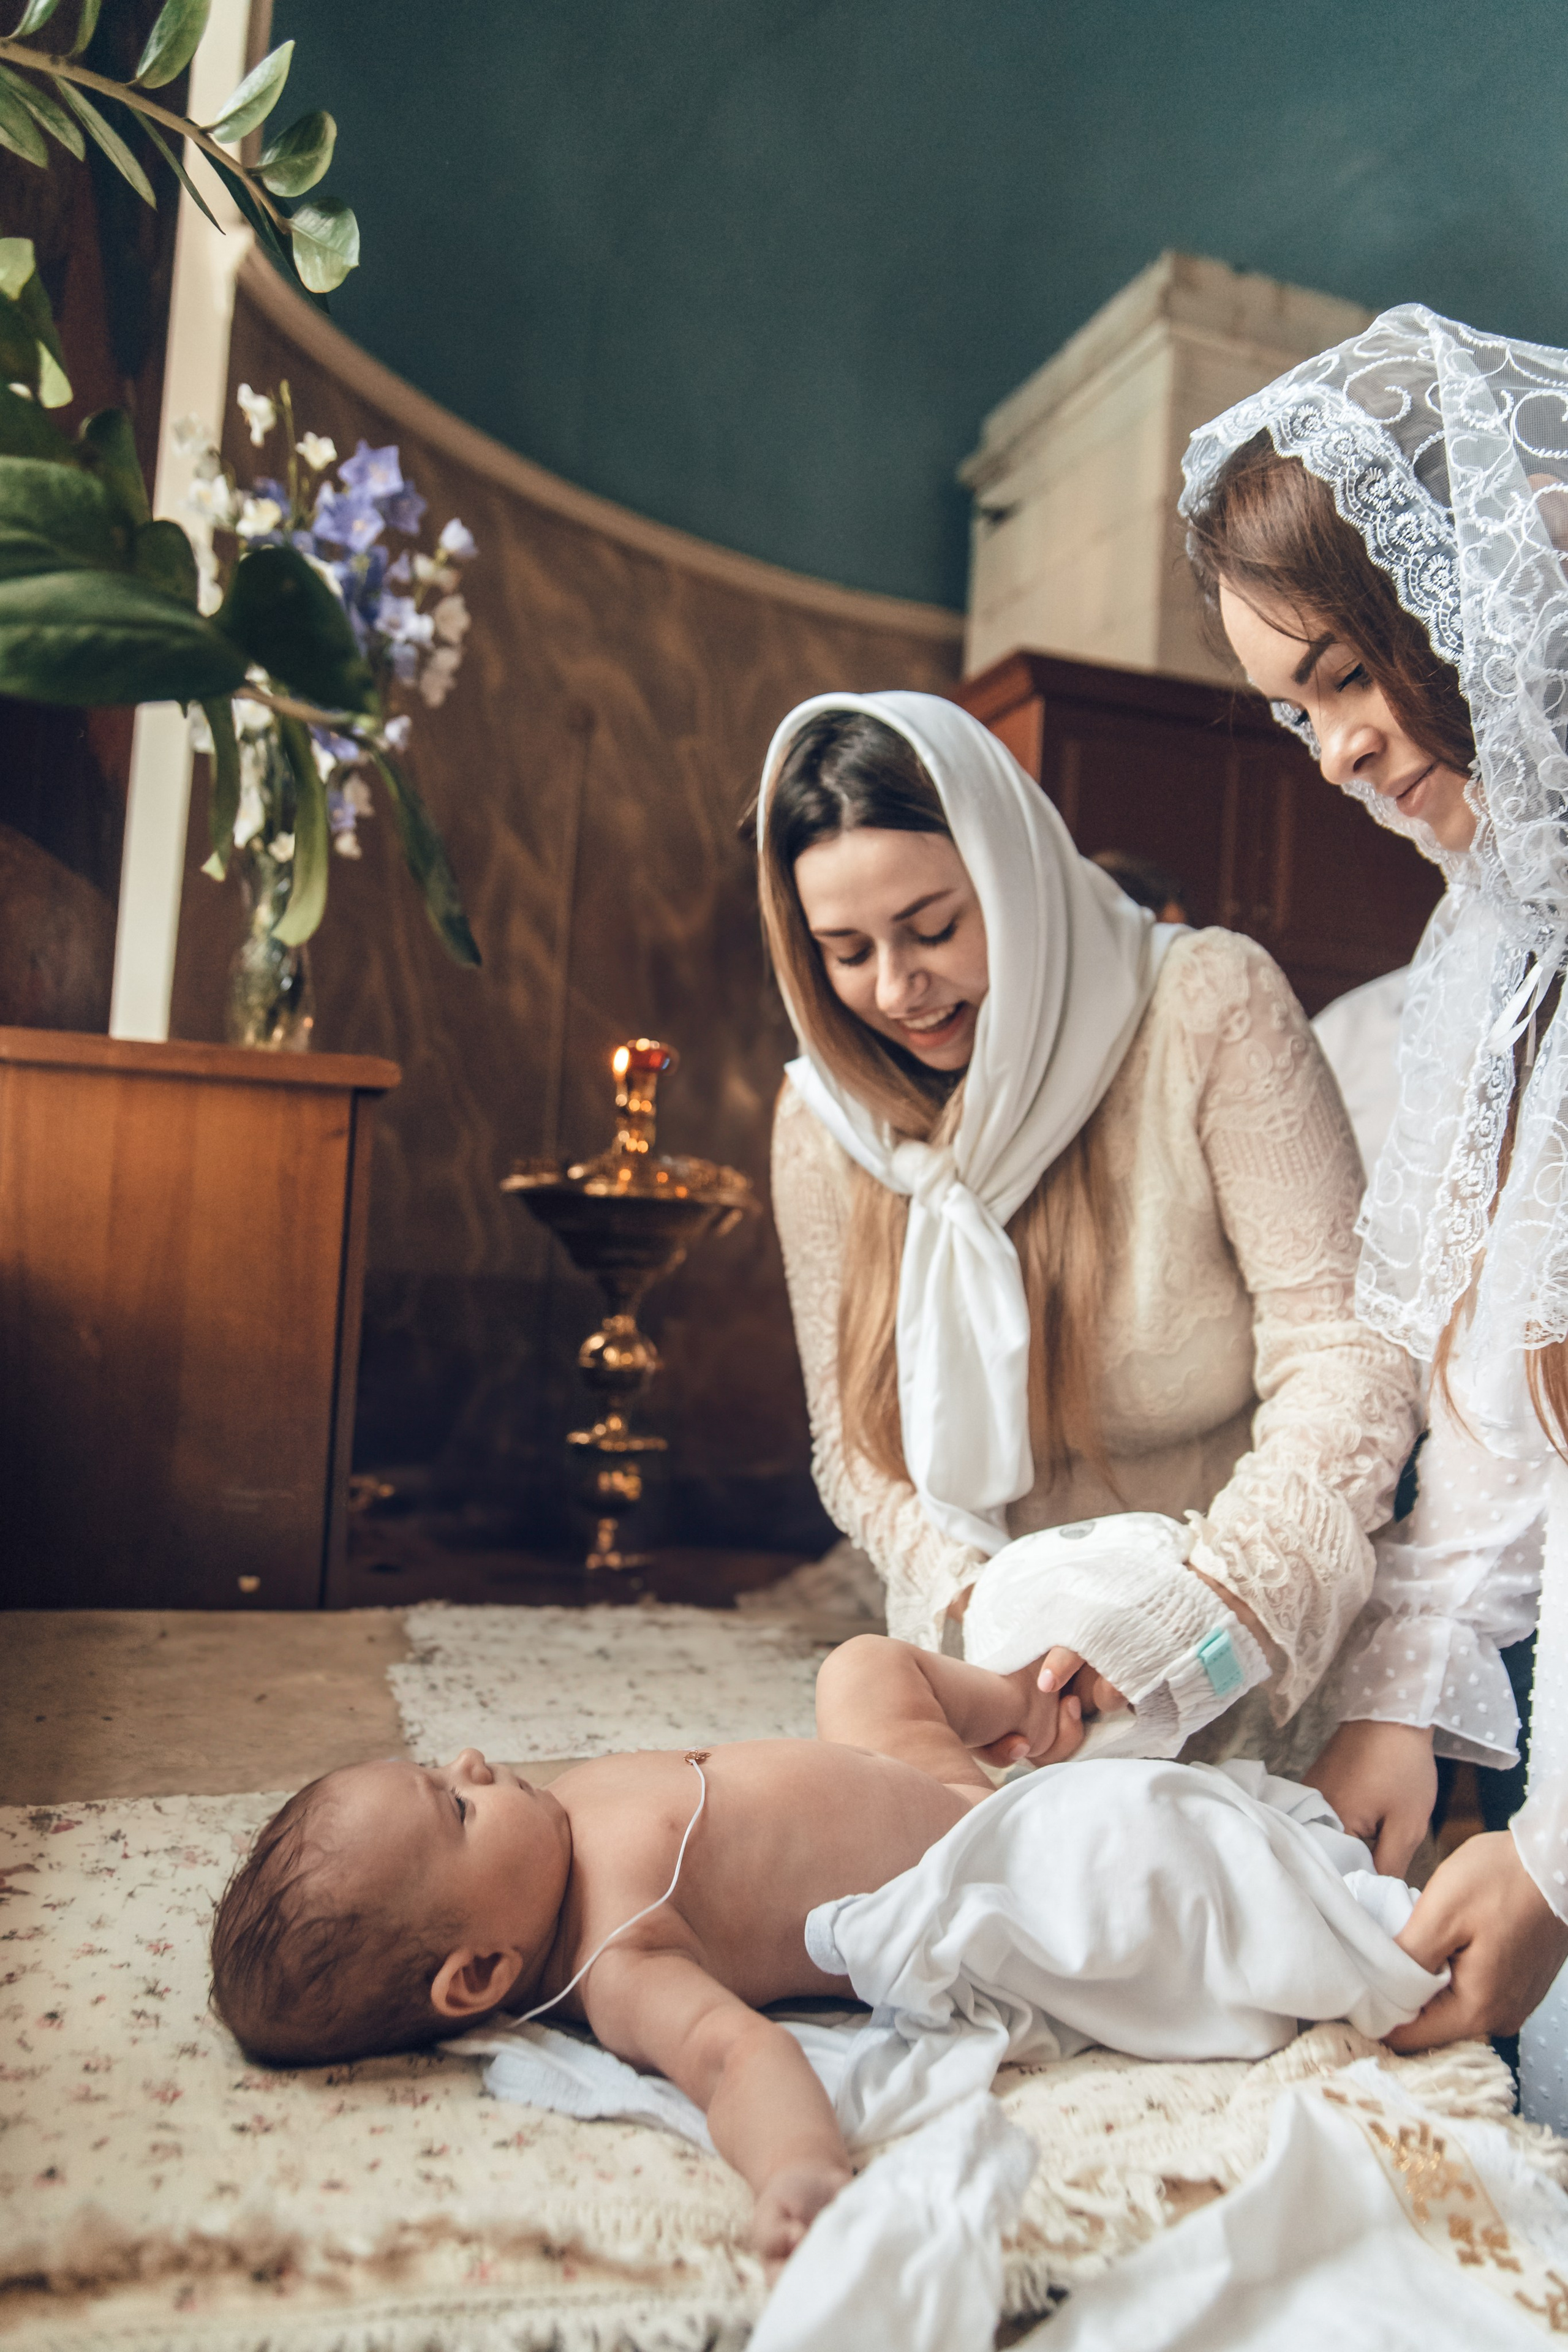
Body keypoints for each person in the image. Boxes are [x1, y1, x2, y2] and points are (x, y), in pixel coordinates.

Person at [209, 1630, 1439, 2260]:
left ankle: (1025, 1706)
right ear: (477, 1973)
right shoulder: (617, 1954)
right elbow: (731, 2060)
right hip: (972, 1858)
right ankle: (1367, 1912)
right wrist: (797, 2172)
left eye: (441, 1769)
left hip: (904, 1776)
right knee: (1157, 1856)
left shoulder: (552, 1827)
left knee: (861, 1664)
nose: (472, 1763)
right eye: (454, 1806)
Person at [757, 692, 1419, 1771]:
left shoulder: (1206, 1006)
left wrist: (1199, 1613)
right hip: (989, 1681)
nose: (896, 987)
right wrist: (991, 1618)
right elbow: (854, 1447)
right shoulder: (824, 1122)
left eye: (934, 928)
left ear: (1014, 881)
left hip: (1226, 1645)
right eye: (844, 950)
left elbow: (1345, 1353)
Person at [1178, 305, 1568, 2118]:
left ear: (1461, 610)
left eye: (1342, 675)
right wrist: (1408, 1674)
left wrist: (1562, 1859)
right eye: (1291, 710)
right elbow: (1503, 1382)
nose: (1326, 750)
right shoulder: (1489, 952)